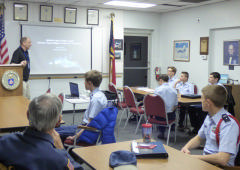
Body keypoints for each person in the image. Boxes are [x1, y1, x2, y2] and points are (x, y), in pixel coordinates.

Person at [0, 93, 83, 170]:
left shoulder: (4, 141)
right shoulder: (59, 159)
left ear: (28, 115)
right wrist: (62, 150)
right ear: (58, 121)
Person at [181, 85, 239, 167]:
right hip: (207, 162)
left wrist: (194, 157)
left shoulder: (228, 124)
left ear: (208, 103)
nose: (201, 102)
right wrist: (186, 148)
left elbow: (223, 159)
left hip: (220, 166)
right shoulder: (210, 116)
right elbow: (199, 138)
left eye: (202, 99)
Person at [56, 70, 108, 142]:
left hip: (88, 131)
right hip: (85, 127)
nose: (84, 83)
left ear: (90, 83)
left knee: (55, 132)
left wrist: (75, 136)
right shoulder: (99, 95)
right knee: (58, 130)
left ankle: (64, 151)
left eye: (85, 81)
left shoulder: (96, 99)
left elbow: (90, 124)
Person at [154, 74, 178, 139]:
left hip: (159, 116)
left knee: (158, 109)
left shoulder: (157, 89)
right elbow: (176, 105)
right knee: (172, 110)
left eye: (158, 81)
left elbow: (154, 102)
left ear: (161, 80)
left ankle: (161, 131)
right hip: (170, 116)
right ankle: (171, 127)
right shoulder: (174, 90)